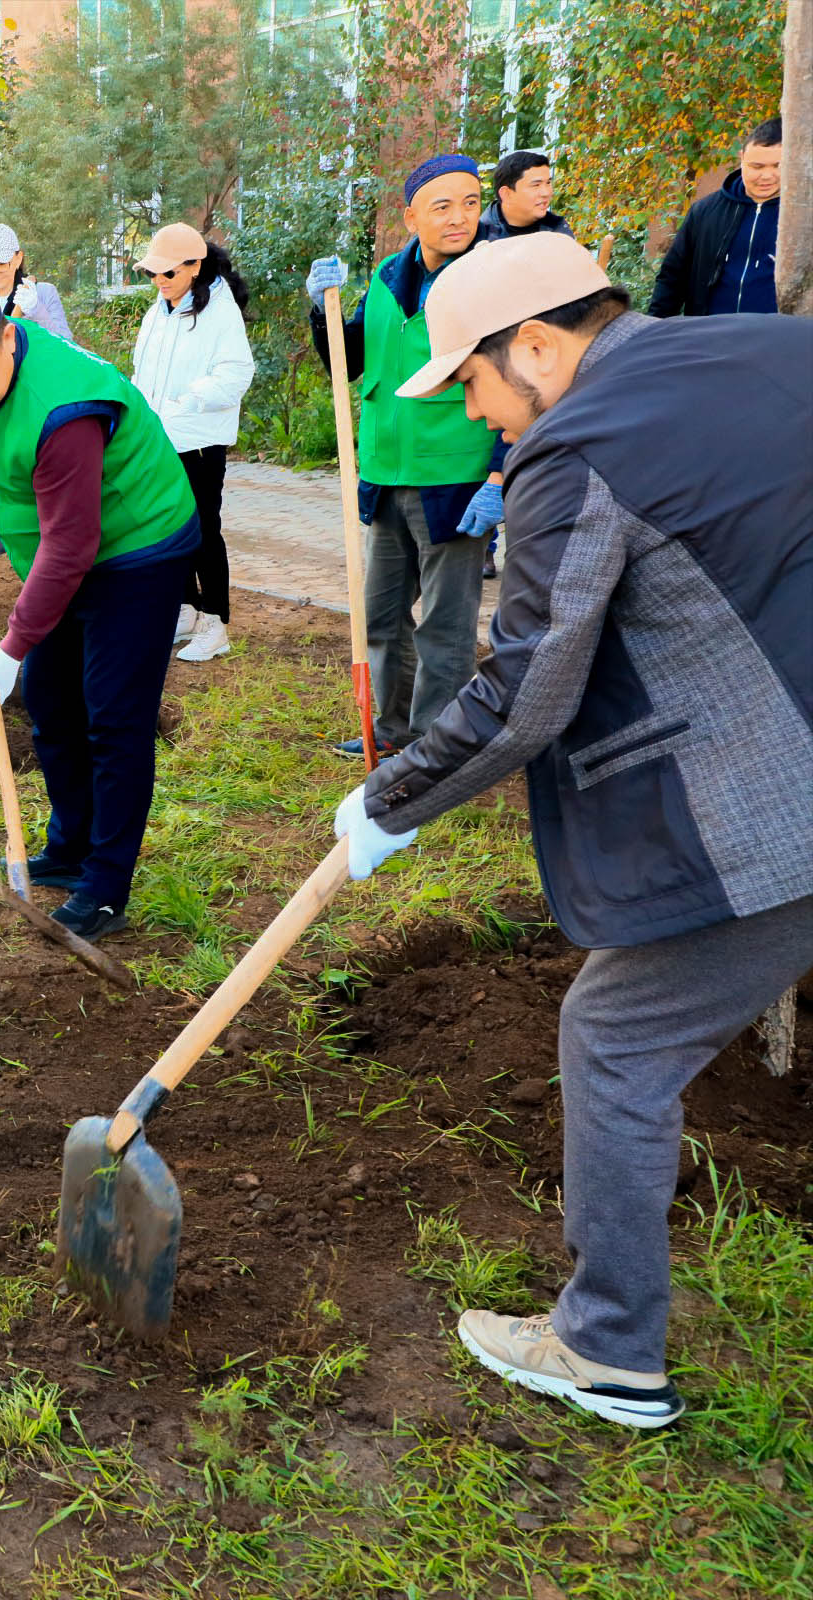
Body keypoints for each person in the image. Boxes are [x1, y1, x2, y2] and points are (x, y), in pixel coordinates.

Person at [332, 232, 813, 1428]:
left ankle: (608, 1350)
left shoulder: (574, 446)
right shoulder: (770, 349)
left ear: (538, 346)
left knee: (616, 1036)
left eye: (474, 383)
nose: (478, 416)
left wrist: (388, 802)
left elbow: (525, 690)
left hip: (786, 803)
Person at [0, 278, 199, 940]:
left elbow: (72, 547)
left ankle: (105, 886)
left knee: (114, 718)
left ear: (7, 340)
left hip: (138, 547)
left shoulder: (64, 412)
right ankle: (70, 849)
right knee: (51, 703)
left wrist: (13, 646)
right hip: (63, 550)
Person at [307, 152, 505, 762]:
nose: (459, 217)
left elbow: (521, 384)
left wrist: (499, 475)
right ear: (411, 216)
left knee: (446, 622)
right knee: (381, 615)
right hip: (384, 470)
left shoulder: (495, 279)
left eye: (470, 203)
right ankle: (391, 727)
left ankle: (436, 743)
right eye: (443, 206)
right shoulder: (389, 276)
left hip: (455, 475)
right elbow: (350, 359)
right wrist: (322, 310)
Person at [130, 222, 255, 663]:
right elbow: (143, 371)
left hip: (199, 443)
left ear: (195, 266)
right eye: (153, 273)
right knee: (169, 528)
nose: (159, 281)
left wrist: (186, 403)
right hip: (160, 441)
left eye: (168, 273)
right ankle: (184, 609)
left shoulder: (220, 311)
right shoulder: (158, 312)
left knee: (203, 533)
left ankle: (215, 622)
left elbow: (236, 373)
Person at [649, 116, 784, 318]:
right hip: (709, 333)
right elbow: (672, 279)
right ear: (741, 158)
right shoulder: (704, 212)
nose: (766, 176)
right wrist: (655, 329)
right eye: (757, 166)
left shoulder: (804, 217)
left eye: (778, 166)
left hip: (780, 336)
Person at [0, 224, 71, 340]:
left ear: (18, 259)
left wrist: (36, 309)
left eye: (1, 264)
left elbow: (66, 341)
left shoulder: (44, 293)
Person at [476, 150, 574, 242]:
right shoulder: (478, 238)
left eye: (548, 183)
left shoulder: (557, 229)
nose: (546, 193)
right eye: (536, 185)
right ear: (506, 194)